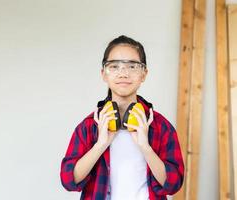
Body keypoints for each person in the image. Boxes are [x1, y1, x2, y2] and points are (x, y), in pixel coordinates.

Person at [60, 35, 184, 200]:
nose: (123, 73)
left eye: (132, 66)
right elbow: (69, 181)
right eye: (114, 66)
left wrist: (145, 147)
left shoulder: (161, 126)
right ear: (104, 74)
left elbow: (173, 185)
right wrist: (100, 145)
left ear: (144, 74)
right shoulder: (89, 126)